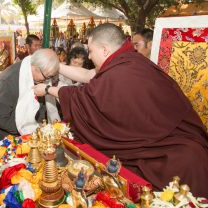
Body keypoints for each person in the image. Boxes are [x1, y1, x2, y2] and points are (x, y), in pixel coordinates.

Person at [33, 23, 208, 197]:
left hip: (171, 151)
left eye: (91, 51)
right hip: (166, 133)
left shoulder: (121, 72)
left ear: (104, 50)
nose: (90, 57)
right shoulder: (127, 59)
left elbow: (87, 97)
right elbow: (88, 75)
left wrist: (48, 90)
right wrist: (54, 65)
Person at [0, 49, 60, 141]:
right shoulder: (6, 81)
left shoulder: (39, 77)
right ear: (35, 68)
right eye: (47, 77)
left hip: (33, 131)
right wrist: (30, 130)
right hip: (8, 135)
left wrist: (39, 126)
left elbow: (41, 107)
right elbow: (1, 119)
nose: (47, 80)